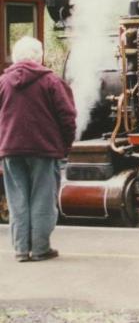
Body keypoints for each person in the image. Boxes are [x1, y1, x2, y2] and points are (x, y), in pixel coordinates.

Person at [0, 36, 76, 262]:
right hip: (44, 150)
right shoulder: (51, 81)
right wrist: (65, 145)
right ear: (39, 57)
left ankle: (21, 249)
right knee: (42, 199)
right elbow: (68, 117)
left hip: (11, 150)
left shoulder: (3, 82)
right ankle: (41, 248)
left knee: (17, 200)